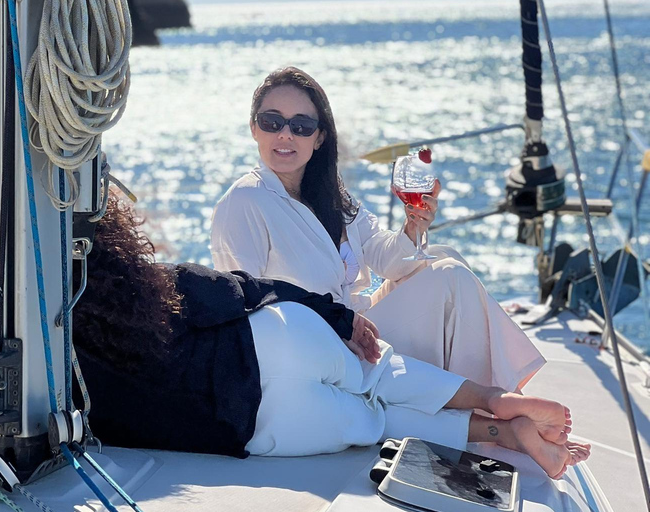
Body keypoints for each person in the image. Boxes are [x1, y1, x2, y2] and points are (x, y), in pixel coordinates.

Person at [72, 194, 590, 480]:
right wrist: (339, 319)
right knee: (385, 373)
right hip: (275, 341)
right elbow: (248, 289)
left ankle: (504, 435)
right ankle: (499, 401)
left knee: (381, 420)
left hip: (258, 424)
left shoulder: (71, 382)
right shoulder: (153, 288)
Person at [211, 66, 544, 392]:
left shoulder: (329, 197)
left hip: (360, 331)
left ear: (320, 137)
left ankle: (492, 396)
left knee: (443, 257)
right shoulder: (246, 200)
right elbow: (245, 305)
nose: (285, 134)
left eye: (301, 125)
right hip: (323, 347)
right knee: (451, 277)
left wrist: (413, 228)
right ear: (255, 128)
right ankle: (497, 400)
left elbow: (387, 261)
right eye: (272, 122)